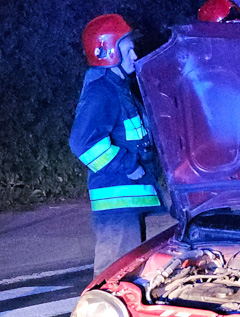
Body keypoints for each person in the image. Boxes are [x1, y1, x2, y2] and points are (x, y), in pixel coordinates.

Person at [69, 14, 162, 276]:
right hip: (117, 203)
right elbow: (82, 142)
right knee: (113, 276)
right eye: (128, 48)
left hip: (126, 202)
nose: (134, 55)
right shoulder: (103, 91)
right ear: (109, 51)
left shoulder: (118, 88)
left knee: (128, 272)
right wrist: (128, 165)